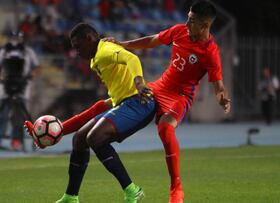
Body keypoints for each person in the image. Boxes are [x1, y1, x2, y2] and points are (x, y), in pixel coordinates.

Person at [103, 1, 231, 202]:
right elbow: (152, 40)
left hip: (180, 96)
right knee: (115, 101)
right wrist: (123, 44)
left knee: (165, 128)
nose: (186, 24)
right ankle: (70, 128)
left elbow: (218, 85)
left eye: (192, 21)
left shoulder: (210, 52)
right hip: (159, 87)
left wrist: (221, 98)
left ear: (205, 26)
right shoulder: (179, 31)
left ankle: (176, 188)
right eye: (188, 18)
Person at [26, 22, 155, 203]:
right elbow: (92, 112)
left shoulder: (104, 51)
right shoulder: (96, 59)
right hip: (124, 103)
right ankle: (71, 197)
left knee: (95, 138)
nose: (76, 52)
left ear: (89, 39)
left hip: (139, 103)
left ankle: (133, 190)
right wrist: (56, 133)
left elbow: (132, 59)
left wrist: (139, 83)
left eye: (78, 47)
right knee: (80, 138)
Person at [0, 31, 40, 150]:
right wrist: (2, 79)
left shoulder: (28, 52)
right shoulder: (4, 51)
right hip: (6, 87)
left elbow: (36, 67)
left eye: (17, 38)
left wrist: (30, 77)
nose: (15, 40)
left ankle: (16, 140)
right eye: (12, 37)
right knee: (2, 114)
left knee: (19, 117)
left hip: (22, 87)